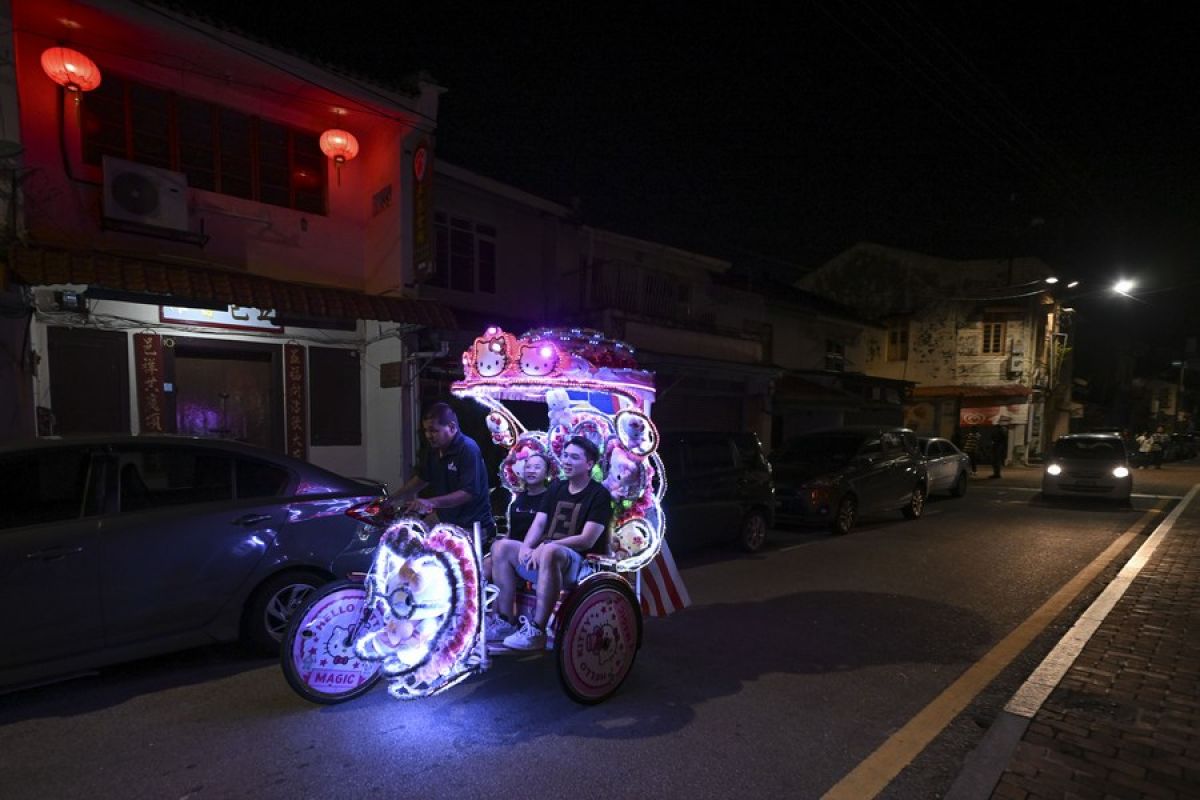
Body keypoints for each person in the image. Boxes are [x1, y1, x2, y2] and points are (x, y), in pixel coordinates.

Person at [487, 436, 612, 651]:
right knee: (500, 547)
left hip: (579, 563)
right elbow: (539, 523)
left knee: (551, 550)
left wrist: (546, 546)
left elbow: (587, 539)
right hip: (547, 556)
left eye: (574, 457)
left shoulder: (598, 494)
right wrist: (527, 547)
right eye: (565, 455)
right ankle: (506, 621)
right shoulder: (556, 487)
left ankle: (537, 630)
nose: (567, 461)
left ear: (589, 464)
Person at [390, 402, 497, 547]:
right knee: (408, 540)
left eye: (434, 431)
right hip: (444, 519)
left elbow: (468, 492)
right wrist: (392, 499)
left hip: (471, 525)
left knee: (436, 558)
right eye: (426, 431)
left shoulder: (468, 449)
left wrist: (430, 502)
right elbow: (422, 479)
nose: (429, 436)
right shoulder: (434, 449)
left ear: (452, 427)